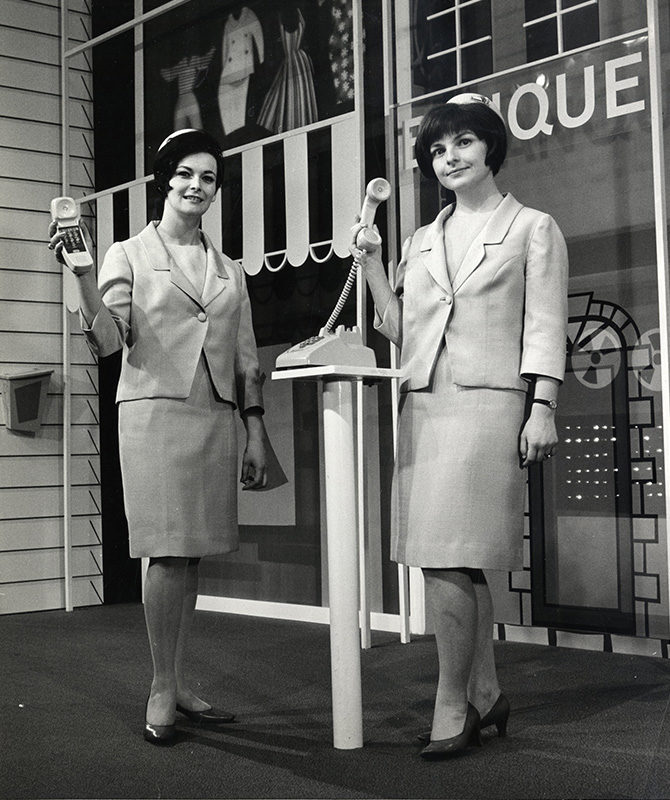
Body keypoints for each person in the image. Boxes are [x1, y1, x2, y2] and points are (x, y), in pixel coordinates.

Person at [350, 94, 568, 759]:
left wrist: (543, 406)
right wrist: (375, 260)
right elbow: (397, 328)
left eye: (464, 143)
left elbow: (546, 324)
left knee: (446, 553)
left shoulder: (532, 227)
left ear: (491, 148)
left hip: (489, 403)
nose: (450, 158)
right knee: (446, 554)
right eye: (439, 150)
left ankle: (452, 702)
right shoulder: (420, 238)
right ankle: (484, 690)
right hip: (425, 402)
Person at [49, 129, 269, 745]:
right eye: (185, 175)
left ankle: (177, 679)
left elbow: (247, 358)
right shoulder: (127, 254)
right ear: (163, 182)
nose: (196, 186)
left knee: (189, 554)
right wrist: (85, 277)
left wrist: (255, 432)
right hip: (154, 415)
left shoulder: (229, 269)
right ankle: (161, 686)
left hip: (214, 417)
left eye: (207, 178)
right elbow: (109, 339)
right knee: (167, 551)